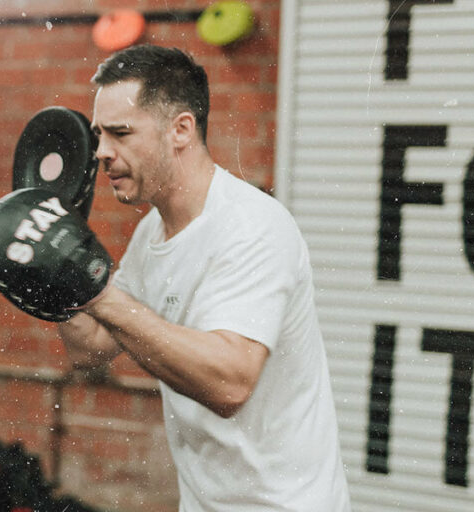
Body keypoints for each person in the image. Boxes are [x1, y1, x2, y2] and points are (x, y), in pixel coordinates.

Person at [56, 45, 351, 509]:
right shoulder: (152, 232)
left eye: (120, 133)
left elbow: (229, 383)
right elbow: (90, 351)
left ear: (181, 130)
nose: (101, 153)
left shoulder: (252, 226)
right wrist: (61, 281)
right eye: (98, 135)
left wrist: (98, 291)